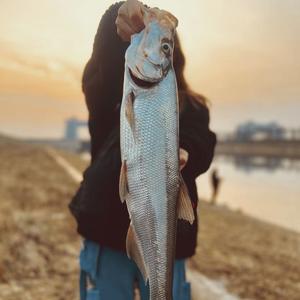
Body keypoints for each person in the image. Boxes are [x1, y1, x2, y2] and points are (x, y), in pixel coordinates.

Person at [69, 1, 216, 299]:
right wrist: (117, 15)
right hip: (104, 231)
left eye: (165, 46)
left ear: (173, 59)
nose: (158, 45)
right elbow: (103, 66)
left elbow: (203, 139)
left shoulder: (192, 106)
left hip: (168, 239)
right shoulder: (113, 92)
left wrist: (185, 149)